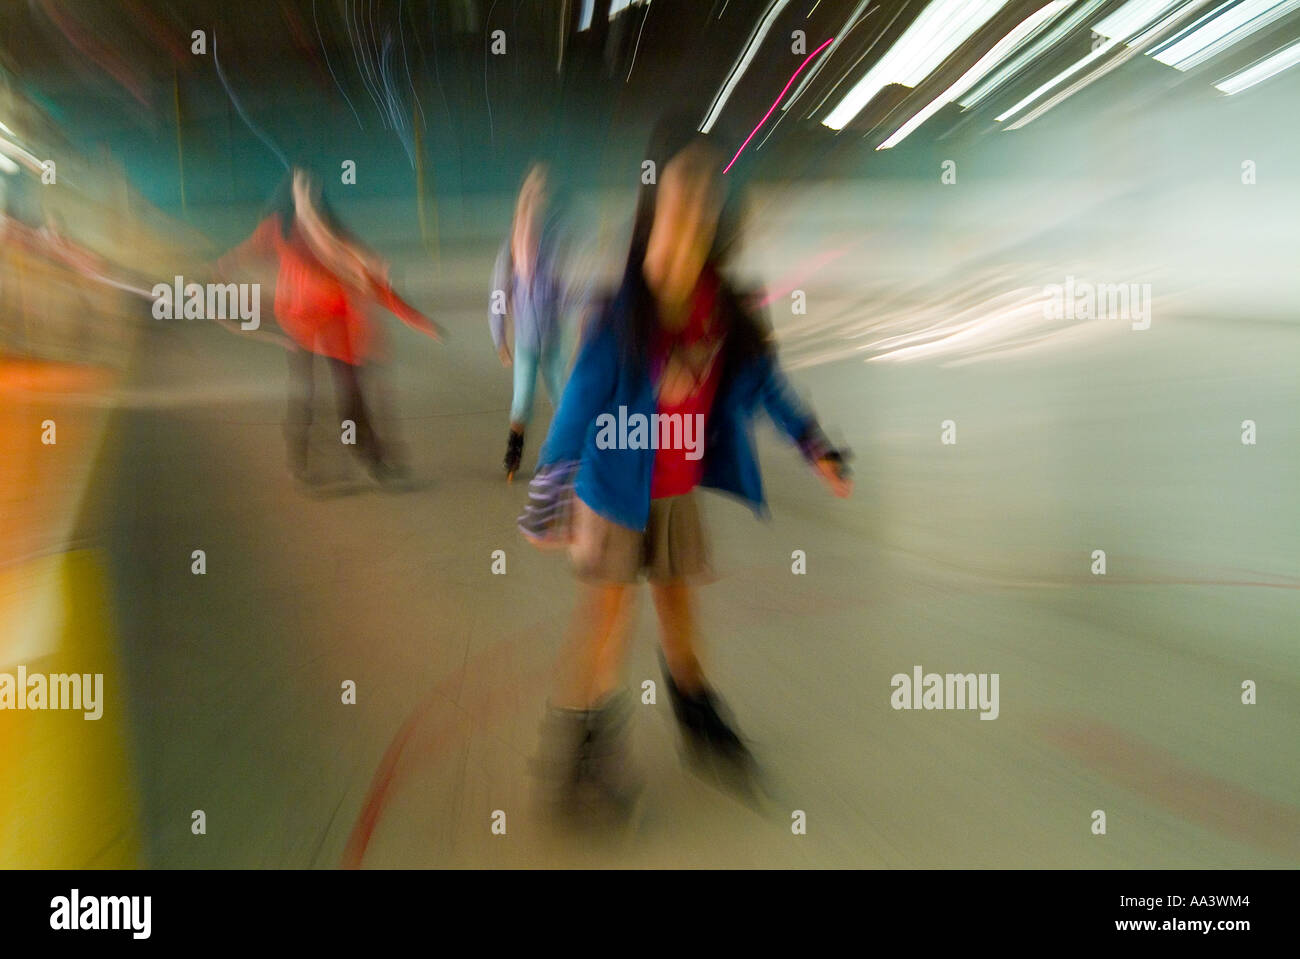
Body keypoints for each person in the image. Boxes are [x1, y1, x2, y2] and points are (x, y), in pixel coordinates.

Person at [519, 116, 852, 823]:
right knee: (608, 623)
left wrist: (815, 442)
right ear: (654, 205)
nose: (695, 207)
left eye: (707, 193)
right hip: (613, 495)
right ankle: (579, 748)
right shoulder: (621, 314)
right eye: (681, 192)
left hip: (673, 495)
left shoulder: (724, 310)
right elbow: (579, 401)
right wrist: (550, 486)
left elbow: (765, 385)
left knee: (679, 610)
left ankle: (697, 712)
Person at [219, 166, 442, 488]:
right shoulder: (279, 228)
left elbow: (371, 278)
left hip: (340, 331)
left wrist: (415, 318)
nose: (307, 198)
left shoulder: (335, 236)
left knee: (351, 394)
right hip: (303, 327)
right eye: (300, 192)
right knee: (308, 394)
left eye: (311, 193)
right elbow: (250, 250)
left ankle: (371, 456)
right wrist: (224, 266)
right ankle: (305, 460)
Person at [490, 163, 577, 481]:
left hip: (553, 340)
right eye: (533, 191)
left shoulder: (552, 248)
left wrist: (580, 315)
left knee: (565, 398)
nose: (538, 198)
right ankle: (513, 452)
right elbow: (499, 296)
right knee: (522, 401)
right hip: (527, 342)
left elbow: (565, 290)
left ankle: (568, 454)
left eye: (543, 192)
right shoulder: (510, 253)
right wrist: (499, 338)